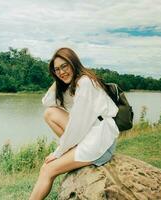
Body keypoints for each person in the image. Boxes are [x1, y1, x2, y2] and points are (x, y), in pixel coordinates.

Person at [29, 47, 119, 200]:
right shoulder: (74, 84)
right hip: (91, 134)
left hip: (100, 141)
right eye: (57, 69)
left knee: (48, 169)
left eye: (64, 66)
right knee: (50, 113)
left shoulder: (85, 83)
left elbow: (77, 128)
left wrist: (58, 152)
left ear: (73, 63)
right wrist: (58, 79)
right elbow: (46, 102)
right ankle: (72, 149)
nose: (61, 71)